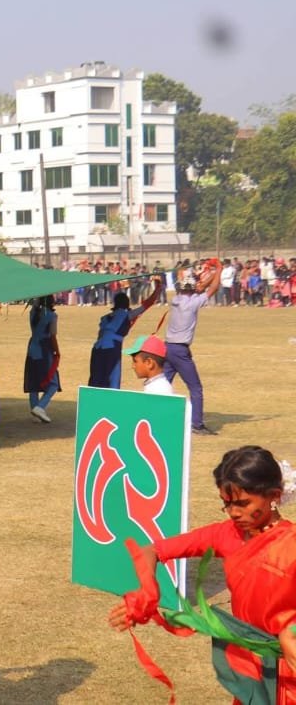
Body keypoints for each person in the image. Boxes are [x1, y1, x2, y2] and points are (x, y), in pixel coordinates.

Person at [108, 446, 296, 702]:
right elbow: (151, 550)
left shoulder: (291, 544)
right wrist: (148, 591)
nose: (233, 512)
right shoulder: (227, 534)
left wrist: (290, 631)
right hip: (251, 669)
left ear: (274, 495)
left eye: (242, 503)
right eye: (226, 503)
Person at [165, 261, 221, 435]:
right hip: (180, 350)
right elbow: (213, 288)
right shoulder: (193, 302)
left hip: (167, 348)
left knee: (163, 384)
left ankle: (153, 415)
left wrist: (205, 276)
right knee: (195, 388)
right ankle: (197, 424)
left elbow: (201, 286)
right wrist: (217, 270)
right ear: (192, 289)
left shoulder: (175, 300)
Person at [87, 277, 161, 390]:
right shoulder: (127, 315)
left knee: (95, 380)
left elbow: (101, 334)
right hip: (112, 348)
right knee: (113, 379)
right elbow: (146, 305)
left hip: (97, 349)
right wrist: (158, 289)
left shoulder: (104, 318)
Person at [23, 296, 61, 423]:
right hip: (44, 350)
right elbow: (53, 336)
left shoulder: (33, 313)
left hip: (32, 348)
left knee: (33, 381)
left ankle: (35, 409)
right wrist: (57, 351)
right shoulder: (52, 316)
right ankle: (40, 407)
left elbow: (34, 307)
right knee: (53, 382)